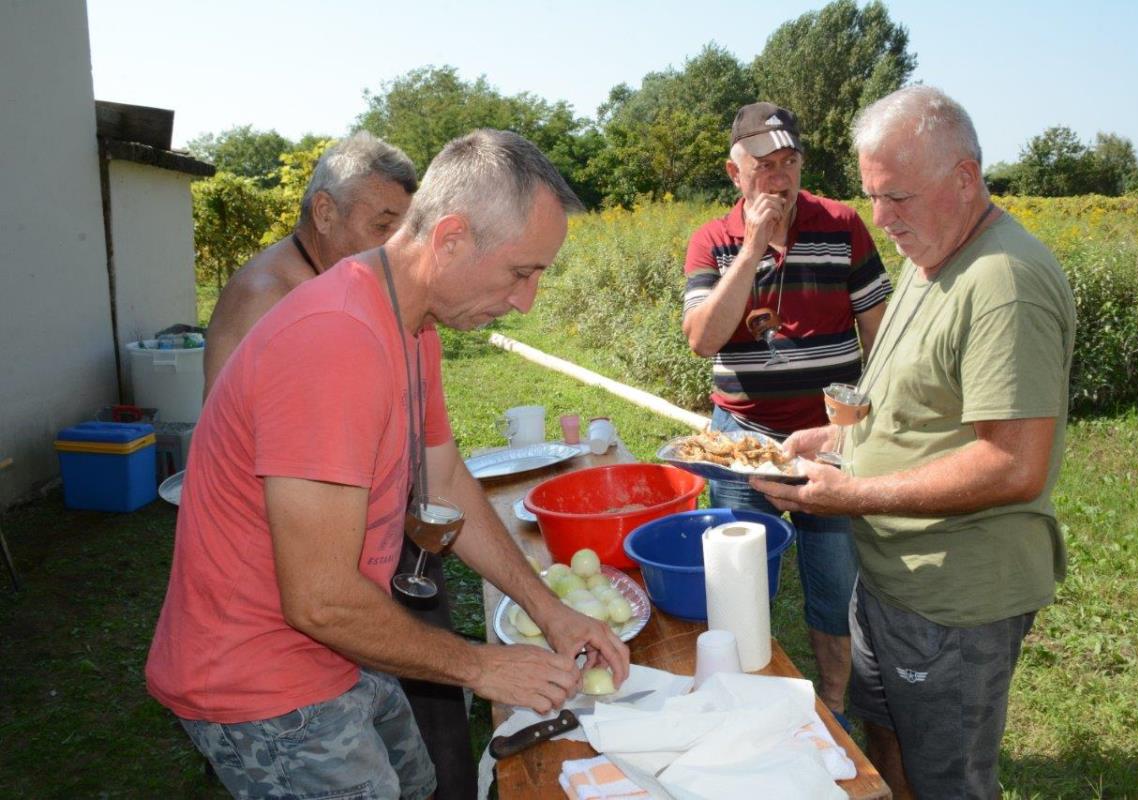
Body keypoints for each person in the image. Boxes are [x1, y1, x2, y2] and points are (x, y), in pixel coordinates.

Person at [146, 129, 630, 800]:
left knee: (420, 783)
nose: (528, 301)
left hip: (345, 639)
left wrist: (549, 610)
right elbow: (317, 598)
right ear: (451, 237)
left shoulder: (412, 322)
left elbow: (449, 479)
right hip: (262, 678)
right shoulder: (334, 341)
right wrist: (481, 666)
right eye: (522, 272)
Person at [752, 86, 1076, 799]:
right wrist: (835, 442)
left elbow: (1013, 464)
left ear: (964, 179)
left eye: (897, 197)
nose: (881, 219)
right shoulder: (933, 257)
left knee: (948, 779)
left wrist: (853, 494)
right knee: (890, 739)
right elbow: (918, 401)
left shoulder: (1003, 283)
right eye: (872, 196)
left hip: (954, 601)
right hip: (894, 582)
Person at [681, 102, 891, 721]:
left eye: (790, 161)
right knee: (736, 583)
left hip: (828, 443)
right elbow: (703, 338)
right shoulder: (713, 240)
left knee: (835, 585)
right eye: (764, 165)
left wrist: (862, 424)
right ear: (734, 172)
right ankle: (746, 702)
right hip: (742, 443)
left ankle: (831, 706)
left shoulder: (842, 224)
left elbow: (880, 331)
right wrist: (748, 252)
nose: (780, 178)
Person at [203, 131, 417, 398]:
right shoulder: (264, 297)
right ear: (324, 213)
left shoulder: (335, 278)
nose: (395, 246)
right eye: (382, 226)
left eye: (402, 231)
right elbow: (228, 430)